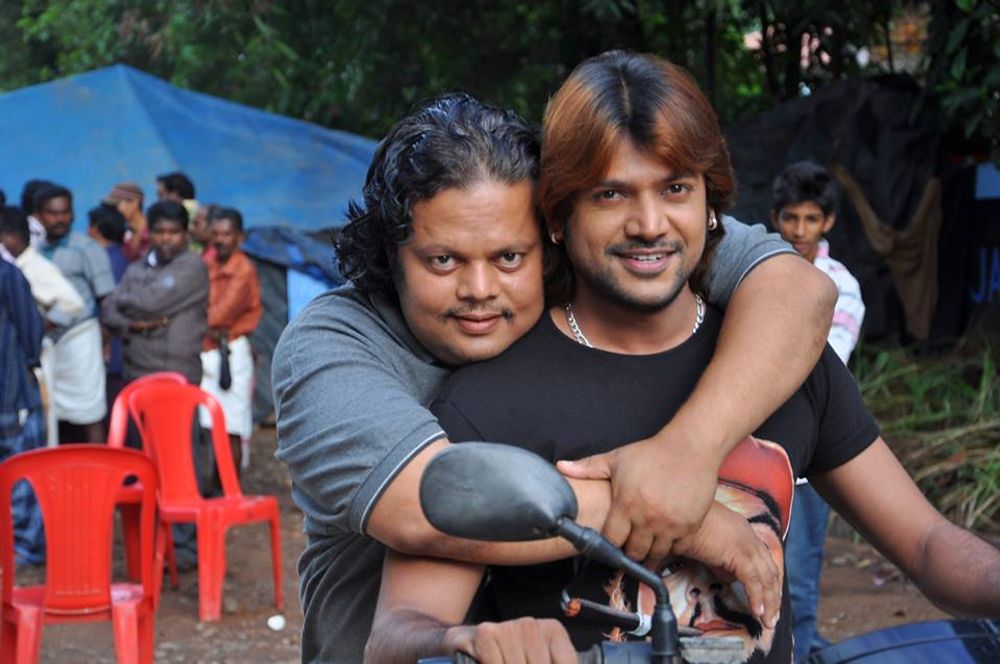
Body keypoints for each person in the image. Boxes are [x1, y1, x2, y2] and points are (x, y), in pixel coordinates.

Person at [364, 51, 1000, 664]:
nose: (649, 223)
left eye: (674, 188)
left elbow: (926, 543)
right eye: (610, 194)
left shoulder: (780, 362)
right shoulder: (488, 402)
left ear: (710, 202)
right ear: (557, 216)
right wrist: (470, 641)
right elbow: (395, 631)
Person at [273, 91, 839, 661]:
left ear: (553, 234)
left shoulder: (595, 260)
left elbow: (800, 290)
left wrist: (689, 450)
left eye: (509, 257)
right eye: (443, 260)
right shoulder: (332, 345)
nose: (479, 290)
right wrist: (678, 513)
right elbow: (422, 505)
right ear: (390, 256)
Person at [770, 161, 866, 661]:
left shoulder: (841, 286)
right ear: (776, 218)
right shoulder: (756, 272)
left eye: (810, 219)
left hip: (806, 465)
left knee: (800, 583)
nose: (799, 230)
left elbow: (822, 362)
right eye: (790, 217)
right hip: (751, 454)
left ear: (827, 222)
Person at [35, 183, 115, 444]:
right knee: (53, 413)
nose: (59, 219)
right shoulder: (35, 249)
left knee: (89, 411)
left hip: (80, 339)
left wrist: (105, 338)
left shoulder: (87, 248)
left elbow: (106, 298)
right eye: (52, 213)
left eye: (65, 212)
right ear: (40, 215)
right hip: (48, 343)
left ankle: (100, 468)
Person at [100, 200, 209, 386]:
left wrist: (120, 300)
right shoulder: (137, 267)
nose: (166, 238)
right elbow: (107, 311)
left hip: (176, 374)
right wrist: (132, 324)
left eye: (174, 232)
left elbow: (150, 303)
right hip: (134, 372)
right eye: (159, 232)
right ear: (149, 233)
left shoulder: (192, 267)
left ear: (185, 234)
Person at [199, 206, 261, 472]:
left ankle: (230, 487)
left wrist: (191, 316)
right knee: (208, 424)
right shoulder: (208, 264)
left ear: (239, 237)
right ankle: (214, 485)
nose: (220, 240)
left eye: (226, 234)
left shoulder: (243, 270)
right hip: (209, 350)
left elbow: (217, 316)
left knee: (231, 427)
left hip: (230, 352)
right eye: (215, 233)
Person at [0, 258, 47, 564]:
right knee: (22, 472)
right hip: (11, 392)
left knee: (19, 472)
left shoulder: (6, 273)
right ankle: (23, 547)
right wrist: (30, 360)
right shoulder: (7, 273)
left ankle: (21, 548)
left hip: (9, 392)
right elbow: (31, 329)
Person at [87, 204, 131, 425]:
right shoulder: (120, 257)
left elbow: (108, 307)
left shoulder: (103, 260)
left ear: (96, 229)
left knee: (112, 414)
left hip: (111, 347)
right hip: (117, 347)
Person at [103, 181, 149, 262]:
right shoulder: (125, 234)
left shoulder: (154, 231)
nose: (112, 210)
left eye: (116, 205)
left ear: (135, 203)